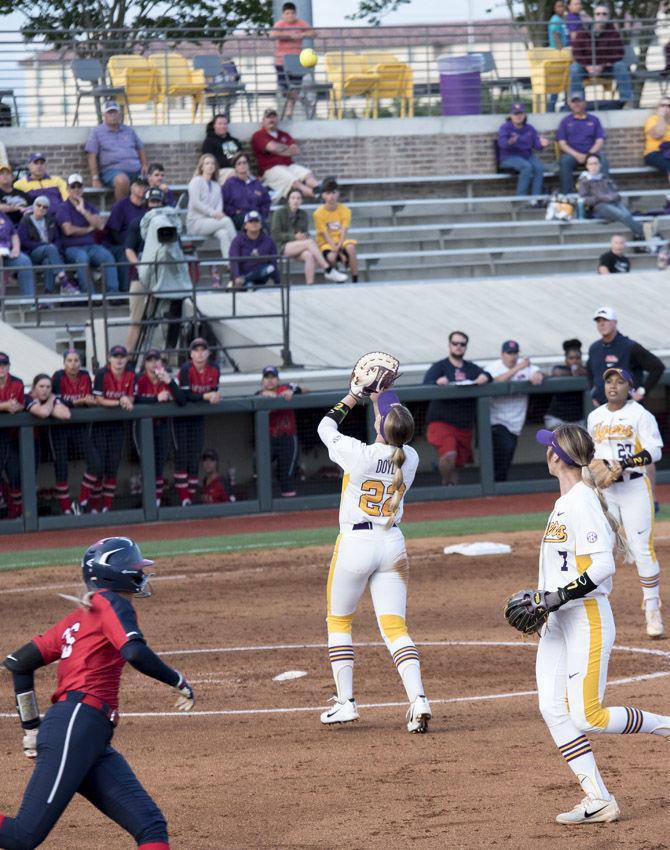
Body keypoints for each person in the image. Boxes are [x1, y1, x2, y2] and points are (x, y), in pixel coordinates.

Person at [506, 424, 670, 825]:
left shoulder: (581, 502)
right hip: (559, 622)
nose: (545, 452)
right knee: (551, 707)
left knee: (587, 716)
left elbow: (603, 566)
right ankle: (598, 797)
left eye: (549, 448)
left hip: (587, 618)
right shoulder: (566, 500)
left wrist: (557, 597)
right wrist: (545, 604)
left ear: (556, 457)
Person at [0, 536, 194, 849]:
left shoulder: (78, 619)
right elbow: (134, 652)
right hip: (76, 724)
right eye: (132, 565)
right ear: (112, 571)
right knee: (23, 835)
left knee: (150, 825)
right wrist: (178, 680)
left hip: (88, 733)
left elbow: (19, 664)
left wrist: (32, 729)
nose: (139, 572)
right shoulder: (112, 602)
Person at [316, 387, 431, 731]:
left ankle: (346, 702)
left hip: (356, 543)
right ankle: (418, 699)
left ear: (381, 426)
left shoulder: (360, 454)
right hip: (392, 543)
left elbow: (325, 427)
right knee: (395, 628)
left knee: (339, 622)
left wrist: (352, 396)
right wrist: (384, 400)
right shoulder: (410, 457)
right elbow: (394, 428)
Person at [587, 368, 665, 637]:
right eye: (609, 380)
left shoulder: (641, 415)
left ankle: (652, 610)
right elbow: (590, 453)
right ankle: (596, 610)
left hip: (634, 487)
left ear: (630, 387)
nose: (613, 386)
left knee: (642, 549)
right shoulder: (594, 416)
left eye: (620, 382)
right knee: (602, 548)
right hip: (605, 492)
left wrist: (626, 463)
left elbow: (655, 450)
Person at [422, 331, 491, 485]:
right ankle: (446, 486)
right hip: (441, 422)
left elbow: (487, 375)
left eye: (462, 344)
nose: (458, 347)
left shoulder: (471, 368)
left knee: (457, 464)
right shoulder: (439, 367)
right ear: (449, 345)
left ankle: (451, 494)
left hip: (464, 426)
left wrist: (484, 377)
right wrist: (438, 382)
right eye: (455, 343)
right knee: (449, 454)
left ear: (466, 347)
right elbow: (425, 384)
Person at [485, 340, 544, 481]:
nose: (512, 356)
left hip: (516, 423)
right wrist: (518, 368)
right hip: (497, 420)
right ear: (502, 354)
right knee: (504, 450)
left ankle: (499, 485)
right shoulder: (493, 367)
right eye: (509, 353)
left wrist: (538, 374)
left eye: (515, 353)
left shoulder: (525, 366)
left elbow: (537, 372)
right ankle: (495, 486)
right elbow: (495, 381)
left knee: (507, 456)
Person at [51, 349, 101, 515]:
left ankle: (82, 501)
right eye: (69, 361)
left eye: (76, 360)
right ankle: (66, 510)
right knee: (61, 469)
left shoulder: (85, 375)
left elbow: (90, 398)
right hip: (59, 427)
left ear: (81, 362)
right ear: (64, 363)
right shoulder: (58, 376)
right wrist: (79, 401)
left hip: (79, 427)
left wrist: (88, 401)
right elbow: (58, 401)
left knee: (95, 462)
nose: (73, 364)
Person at [134, 349, 185, 508]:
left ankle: (156, 500)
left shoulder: (166, 379)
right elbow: (134, 399)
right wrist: (157, 398)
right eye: (150, 360)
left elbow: (182, 400)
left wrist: (170, 382)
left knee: (160, 464)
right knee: (147, 464)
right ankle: (147, 501)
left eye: (156, 360)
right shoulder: (140, 379)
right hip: (143, 428)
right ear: (145, 363)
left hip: (163, 426)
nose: (154, 363)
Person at [174, 338, 222, 506]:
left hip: (198, 417)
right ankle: (183, 498)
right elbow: (186, 397)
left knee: (195, 457)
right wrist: (206, 396)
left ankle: (190, 499)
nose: (200, 354)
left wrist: (214, 396)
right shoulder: (186, 369)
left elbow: (214, 391)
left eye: (203, 350)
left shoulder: (215, 368)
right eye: (196, 350)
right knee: (182, 457)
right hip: (181, 417)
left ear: (208, 353)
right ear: (191, 354)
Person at [587, 306, 665, 407]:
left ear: (614, 322)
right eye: (598, 321)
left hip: (628, 407)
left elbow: (658, 367)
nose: (602, 324)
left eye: (605, 320)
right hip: (603, 408)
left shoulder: (630, 346)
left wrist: (642, 391)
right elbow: (590, 372)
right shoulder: (594, 348)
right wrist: (593, 395)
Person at [55, 174, 119, 294]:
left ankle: (113, 294)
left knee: (107, 256)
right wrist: (88, 229)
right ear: (68, 189)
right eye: (73, 186)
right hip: (71, 248)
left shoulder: (88, 206)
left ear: (82, 189)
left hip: (91, 246)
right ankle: (90, 295)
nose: (76, 189)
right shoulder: (63, 208)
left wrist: (83, 211)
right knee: (82, 258)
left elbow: (100, 225)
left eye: (79, 186)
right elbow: (68, 230)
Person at [124, 187, 169, 353]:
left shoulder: (169, 223)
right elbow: (129, 249)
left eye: (158, 202)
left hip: (163, 278)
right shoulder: (137, 222)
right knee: (136, 321)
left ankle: (161, 359)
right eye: (152, 202)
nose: (155, 205)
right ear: (146, 203)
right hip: (140, 277)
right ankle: (128, 358)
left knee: (162, 323)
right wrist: (141, 267)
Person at [91, 344, 136, 512]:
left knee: (112, 467)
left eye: (122, 357)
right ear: (110, 358)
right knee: (99, 466)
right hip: (100, 425)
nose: (119, 360)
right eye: (115, 357)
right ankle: (94, 506)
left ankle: (106, 507)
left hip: (118, 425)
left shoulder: (131, 373)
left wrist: (127, 400)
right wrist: (120, 401)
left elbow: (131, 397)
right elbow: (99, 400)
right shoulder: (102, 373)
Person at [271, 187, 346, 283]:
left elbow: (304, 232)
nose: (296, 201)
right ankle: (328, 269)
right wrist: (293, 237)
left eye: (298, 198)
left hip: (299, 246)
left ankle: (310, 285)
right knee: (310, 243)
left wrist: (303, 236)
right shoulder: (279, 213)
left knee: (309, 255)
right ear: (288, 200)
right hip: (282, 247)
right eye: (293, 198)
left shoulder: (303, 214)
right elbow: (275, 235)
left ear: (301, 200)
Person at [186, 154, 236, 288]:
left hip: (212, 223)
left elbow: (219, 204)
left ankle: (230, 264)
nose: (210, 166)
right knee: (226, 221)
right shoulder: (196, 181)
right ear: (201, 166)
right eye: (207, 163)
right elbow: (196, 203)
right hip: (196, 222)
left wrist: (216, 214)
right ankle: (239, 254)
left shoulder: (216, 185)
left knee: (224, 234)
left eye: (213, 163)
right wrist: (214, 213)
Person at [256, 365, 306, 497]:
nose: (270, 380)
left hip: (287, 439)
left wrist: (292, 392)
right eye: (267, 377)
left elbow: (306, 389)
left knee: (286, 476)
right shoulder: (259, 394)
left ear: (278, 379)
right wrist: (267, 395)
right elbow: (259, 396)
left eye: (273, 377)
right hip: (268, 439)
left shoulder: (286, 387)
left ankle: (290, 511)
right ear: (262, 381)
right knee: (260, 470)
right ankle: (264, 509)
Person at [85, 100, 148, 200]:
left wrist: (144, 165)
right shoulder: (97, 132)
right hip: (112, 171)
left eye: (115, 112)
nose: (113, 115)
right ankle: (122, 212)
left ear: (119, 114)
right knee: (122, 180)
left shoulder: (129, 130)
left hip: (135, 170)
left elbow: (140, 147)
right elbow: (91, 155)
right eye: (109, 112)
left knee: (154, 180)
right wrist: (95, 178)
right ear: (104, 115)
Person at [570, 4, 632, 106]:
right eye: (598, 14)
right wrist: (587, 66)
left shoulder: (613, 33)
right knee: (575, 68)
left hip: (607, 69)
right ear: (594, 16)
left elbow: (619, 53)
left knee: (620, 66)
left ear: (608, 17)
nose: (601, 16)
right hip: (587, 69)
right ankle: (577, 102)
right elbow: (576, 52)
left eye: (604, 14)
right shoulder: (583, 32)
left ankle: (625, 102)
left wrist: (602, 65)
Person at [251, 108, 321, 199]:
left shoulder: (284, 135)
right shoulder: (259, 135)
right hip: (271, 169)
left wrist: (278, 149)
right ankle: (318, 195)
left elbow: (296, 150)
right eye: (268, 117)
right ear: (263, 121)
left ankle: (319, 189)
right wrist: (286, 149)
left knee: (307, 174)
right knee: (294, 181)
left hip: (289, 165)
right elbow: (272, 147)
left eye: (274, 117)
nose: (272, 120)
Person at [17, 194, 79, 295]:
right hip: (33, 253)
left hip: (50, 252)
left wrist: (54, 247)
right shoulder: (26, 221)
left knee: (48, 262)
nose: (41, 208)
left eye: (45, 207)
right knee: (49, 249)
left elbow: (58, 239)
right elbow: (24, 242)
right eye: (38, 205)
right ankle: (64, 280)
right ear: (33, 206)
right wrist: (44, 246)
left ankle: (48, 295)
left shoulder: (51, 220)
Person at [577, 154, 644, 241]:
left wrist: (612, 197)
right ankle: (645, 231)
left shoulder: (605, 178)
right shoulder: (584, 180)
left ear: (600, 165)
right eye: (591, 164)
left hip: (614, 202)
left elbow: (616, 192)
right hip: (600, 206)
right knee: (622, 216)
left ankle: (640, 234)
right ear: (587, 166)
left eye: (596, 163)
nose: (594, 166)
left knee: (627, 215)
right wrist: (602, 198)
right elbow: (585, 199)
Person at [556, 94, 608, 194]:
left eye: (579, 101)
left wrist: (589, 155)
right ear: (569, 104)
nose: (576, 104)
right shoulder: (565, 121)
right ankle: (567, 194)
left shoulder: (594, 120)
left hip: (591, 153)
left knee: (603, 159)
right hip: (572, 155)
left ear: (584, 103)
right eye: (573, 102)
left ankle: (604, 191)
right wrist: (577, 155)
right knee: (564, 161)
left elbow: (599, 141)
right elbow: (562, 143)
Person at [270, 2, 315, 119]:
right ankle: (302, 100)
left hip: (296, 60)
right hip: (281, 61)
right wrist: (289, 36)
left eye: (292, 13)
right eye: (287, 13)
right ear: (283, 14)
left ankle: (289, 111)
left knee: (295, 87)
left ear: (295, 14)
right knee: (284, 89)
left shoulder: (300, 23)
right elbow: (272, 35)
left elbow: (313, 33)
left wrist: (303, 34)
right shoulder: (280, 24)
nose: (290, 16)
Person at [497, 103, 550, 200]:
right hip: (509, 157)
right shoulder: (505, 127)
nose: (518, 116)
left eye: (521, 113)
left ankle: (536, 199)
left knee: (539, 168)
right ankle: (521, 199)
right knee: (527, 167)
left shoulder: (530, 128)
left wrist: (543, 144)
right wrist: (510, 142)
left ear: (525, 115)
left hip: (527, 156)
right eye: (515, 114)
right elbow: (502, 144)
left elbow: (537, 145)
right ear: (510, 115)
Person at [105, 175, 148, 292]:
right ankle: (125, 290)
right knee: (126, 255)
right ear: (131, 188)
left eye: (144, 186)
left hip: (140, 245)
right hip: (118, 245)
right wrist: (129, 246)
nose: (142, 188)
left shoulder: (147, 206)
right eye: (138, 185)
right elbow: (113, 231)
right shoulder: (121, 205)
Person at [313, 178, 358, 281]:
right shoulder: (318, 213)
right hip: (326, 243)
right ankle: (337, 277)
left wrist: (340, 248)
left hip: (340, 241)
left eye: (334, 192)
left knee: (351, 247)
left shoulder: (345, 210)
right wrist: (340, 253)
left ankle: (355, 278)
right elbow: (325, 234)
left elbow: (344, 230)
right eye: (328, 193)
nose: (331, 196)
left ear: (338, 194)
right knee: (332, 257)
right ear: (323, 195)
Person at [0, 351, 24, 519]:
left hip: (11, 437)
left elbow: (22, 405)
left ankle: (18, 513)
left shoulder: (17, 382)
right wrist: (4, 406)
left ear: (8, 367)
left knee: (15, 474)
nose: (1, 369)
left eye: (3, 365)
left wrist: (15, 406)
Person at [544, 339, 588, 429]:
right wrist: (572, 372)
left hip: (578, 420)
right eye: (571, 358)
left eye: (577, 358)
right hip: (558, 418)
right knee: (562, 441)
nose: (575, 361)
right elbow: (557, 372)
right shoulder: (559, 368)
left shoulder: (585, 370)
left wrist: (580, 372)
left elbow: (592, 373)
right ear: (566, 360)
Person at [229, 211, 280, 289]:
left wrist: (278, 283)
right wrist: (236, 277)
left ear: (261, 224)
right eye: (250, 221)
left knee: (270, 268)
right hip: (242, 275)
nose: (254, 224)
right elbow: (234, 261)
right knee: (249, 286)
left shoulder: (269, 241)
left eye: (256, 221)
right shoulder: (237, 240)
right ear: (245, 225)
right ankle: (246, 283)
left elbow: (274, 262)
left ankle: (245, 281)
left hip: (261, 276)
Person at [222, 152, 272, 230]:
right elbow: (223, 203)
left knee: (262, 224)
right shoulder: (230, 184)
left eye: (244, 163)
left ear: (248, 165)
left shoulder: (256, 183)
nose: (242, 165)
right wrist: (234, 211)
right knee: (253, 223)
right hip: (239, 217)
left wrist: (262, 213)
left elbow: (266, 201)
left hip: (256, 215)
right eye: (239, 163)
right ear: (235, 167)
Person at [0, 209, 35, 297]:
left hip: (6, 252)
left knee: (24, 261)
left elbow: (14, 234)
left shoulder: (3, 215)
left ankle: (29, 301)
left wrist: (16, 248)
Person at [200, 114, 242, 183]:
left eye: (225, 124)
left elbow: (238, 158)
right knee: (235, 175)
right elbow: (209, 162)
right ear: (214, 126)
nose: (222, 126)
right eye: (219, 124)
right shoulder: (209, 142)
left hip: (236, 170)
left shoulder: (232, 141)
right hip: (218, 172)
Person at [642, 98, 670, 184]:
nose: (666, 108)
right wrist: (661, 117)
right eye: (663, 105)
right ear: (657, 108)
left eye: (669, 106)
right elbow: (658, 134)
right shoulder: (652, 119)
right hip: (654, 153)